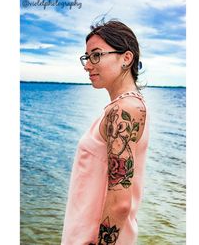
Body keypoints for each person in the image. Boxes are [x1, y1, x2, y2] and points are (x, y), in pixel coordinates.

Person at [61, 19, 149, 245]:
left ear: (126, 58)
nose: (87, 65)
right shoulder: (122, 107)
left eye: (96, 55)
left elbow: (121, 202)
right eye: (87, 57)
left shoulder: (124, 110)